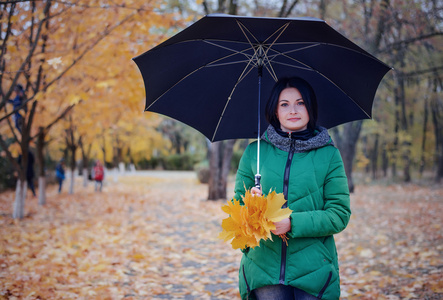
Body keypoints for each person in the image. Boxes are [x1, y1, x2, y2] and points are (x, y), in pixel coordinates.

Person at [233, 77, 351, 300]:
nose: (293, 110)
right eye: (284, 104)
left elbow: (339, 214)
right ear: (275, 111)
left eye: (300, 103)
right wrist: (250, 205)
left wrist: (292, 223)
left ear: (310, 107)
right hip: (263, 268)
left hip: (314, 271)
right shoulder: (254, 153)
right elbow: (238, 211)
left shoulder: (329, 155)